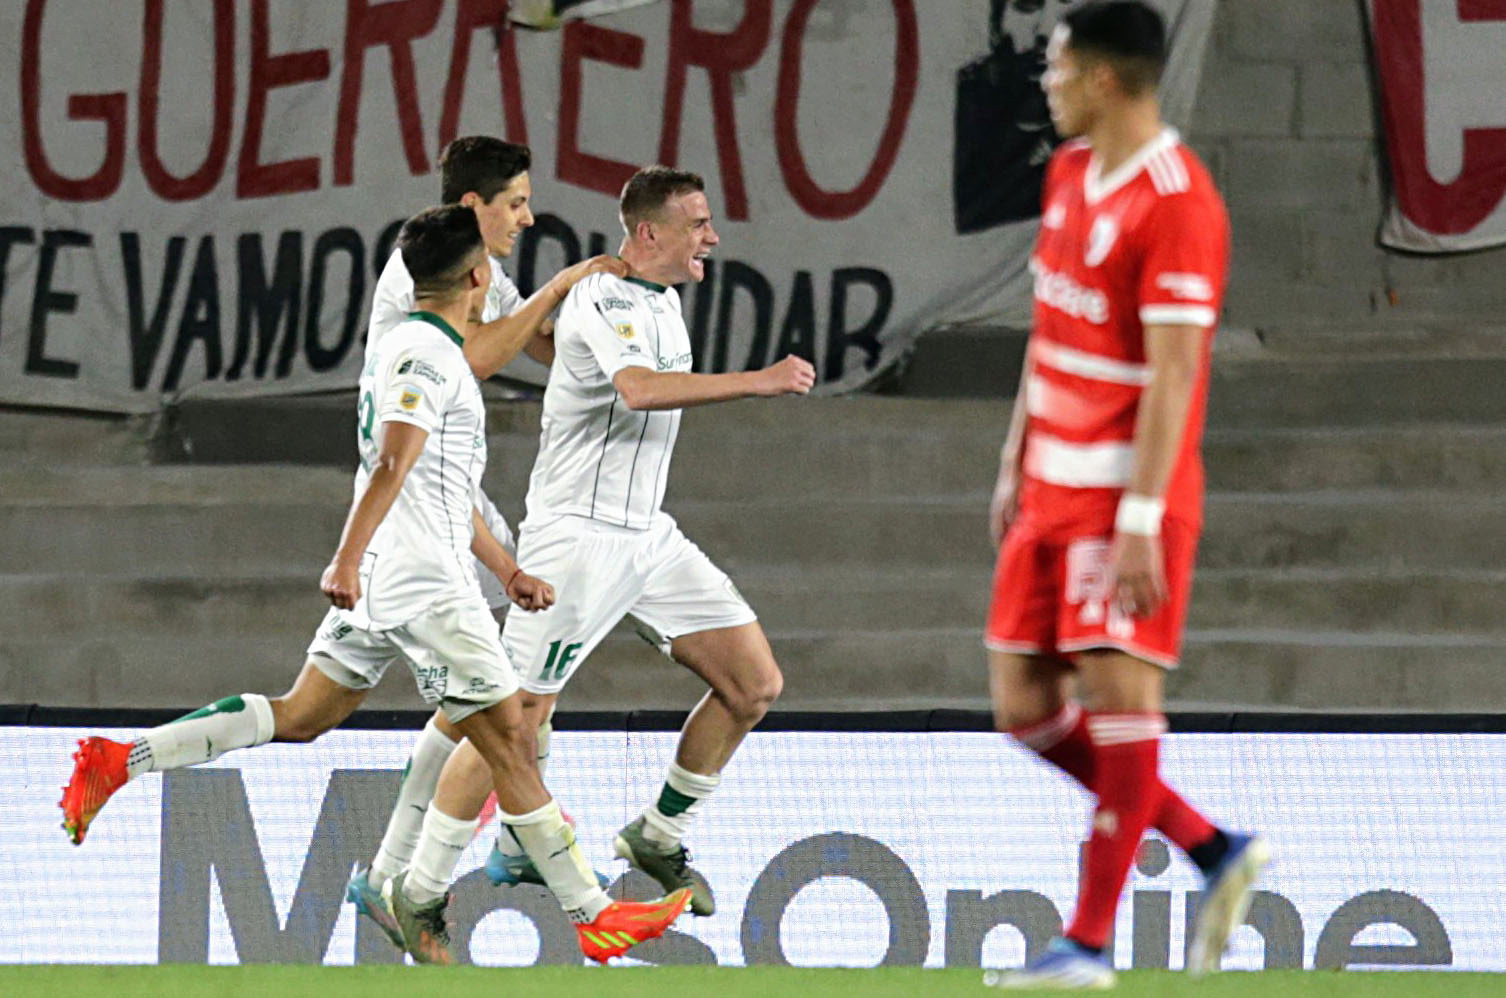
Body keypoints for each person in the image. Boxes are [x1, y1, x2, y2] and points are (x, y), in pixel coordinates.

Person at [62, 206, 690, 965]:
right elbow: (393, 464)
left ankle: (116, 761)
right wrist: (345, 558)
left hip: (401, 569)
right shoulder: (426, 356)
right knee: (512, 738)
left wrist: (508, 570)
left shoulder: (420, 346)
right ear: (478, 278)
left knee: (301, 715)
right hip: (422, 581)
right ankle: (593, 916)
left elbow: (438, 485)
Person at [380, 165, 815, 946]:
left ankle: (655, 833)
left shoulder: (664, 299)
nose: (711, 237)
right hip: (577, 536)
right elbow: (640, 390)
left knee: (753, 684)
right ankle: (417, 888)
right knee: (511, 720)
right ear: (649, 233)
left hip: (646, 532)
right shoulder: (602, 297)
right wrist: (762, 379)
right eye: (698, 224)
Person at [982, 3, 1268, 989]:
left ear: (1104, 79)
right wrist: (1017, 450)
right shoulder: (1068, 175)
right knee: (1023, 706)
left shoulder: (1180, 200)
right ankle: (1210, 843)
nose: (1045, 84)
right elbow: (1050, 327)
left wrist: (1143, 514)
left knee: (1118, 705)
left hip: (1120, 501)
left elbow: (1178, 374)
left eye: (1057, 70)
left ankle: (1088, 943)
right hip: (1050, 486)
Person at [345, 136, 625, 945]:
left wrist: (616, 322)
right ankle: (522, 869)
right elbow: (474, 354)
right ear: (474, 209)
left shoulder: (479, 268)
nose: (528, 216)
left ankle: (404, 871)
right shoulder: (424, 275)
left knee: (501, 695)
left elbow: (537, 342)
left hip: (448, 497)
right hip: (423, 508)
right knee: (505, 707)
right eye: (516, 202)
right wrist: (565, 284)